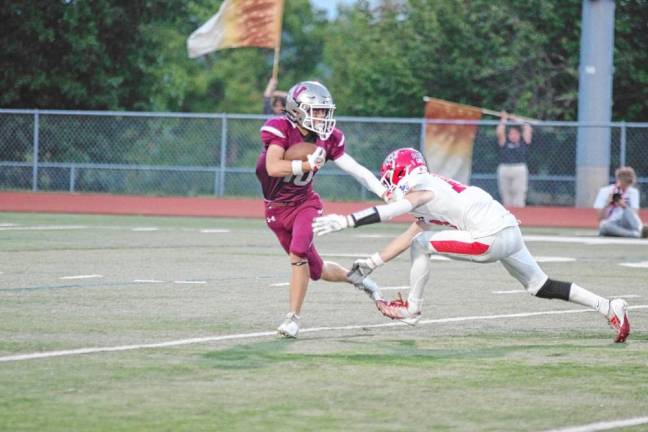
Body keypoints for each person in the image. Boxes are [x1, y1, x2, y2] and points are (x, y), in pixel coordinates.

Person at [312, 148, 631, 343]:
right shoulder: (432, 189)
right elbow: (409, 235)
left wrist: (349, 220)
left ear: (401, 173)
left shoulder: (419, 187)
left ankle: (413, 309)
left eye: (390, 177)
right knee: (539, 285)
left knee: (424, 244)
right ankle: (608, 306)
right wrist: (371, 263)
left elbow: (395, 213)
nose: (388, 184)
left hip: (489, 237)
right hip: (508, 230)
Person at [256, 80, 387, 338]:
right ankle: (356, 278)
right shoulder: (280, 128)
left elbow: (355, 169)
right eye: (316, 110)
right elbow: (272, 167)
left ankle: (292, 319)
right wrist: (303, 166)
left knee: (297, 252)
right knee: (316, 270)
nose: (322, 117)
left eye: (324, 111)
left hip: (305, 203)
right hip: (275, 210)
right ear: (297, 109)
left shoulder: (329, 138)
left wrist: (384, 191)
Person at [594, 166, 648, 238]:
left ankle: (640, 229)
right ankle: (636, 234)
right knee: (603, 225)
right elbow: (599, 218)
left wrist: (624, 206)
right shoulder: (605, 191)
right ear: (618, 179)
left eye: (629, 184)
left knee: (628, 210)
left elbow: (635, 215)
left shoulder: (633, 192)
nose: (626, 186)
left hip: (626, 222)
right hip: (611, 223)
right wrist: (607, 204)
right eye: (625, 183)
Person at [496, 112, 532, 207]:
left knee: (519, 193)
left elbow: (527, 127)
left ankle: (520, 216)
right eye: (511, 134)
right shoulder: (504, 142)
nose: (513, 136)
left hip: (519, 168)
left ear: (520, 135)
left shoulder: (524, 142)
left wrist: (516, 120)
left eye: (516, 133)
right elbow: (500, 132)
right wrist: (504, 119)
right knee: (505, 194)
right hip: (505, 168)